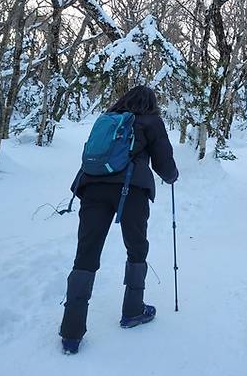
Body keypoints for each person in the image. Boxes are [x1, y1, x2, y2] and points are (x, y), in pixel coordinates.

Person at [59, 86, 179, 354]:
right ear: (151, 103)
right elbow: (163, 162)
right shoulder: (151, 121)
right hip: (131, 189)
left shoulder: (108, 118)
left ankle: (71, 334)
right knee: (136, 248)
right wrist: (171, 176)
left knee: (86, 253)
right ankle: (133, 311)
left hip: (92, 187)